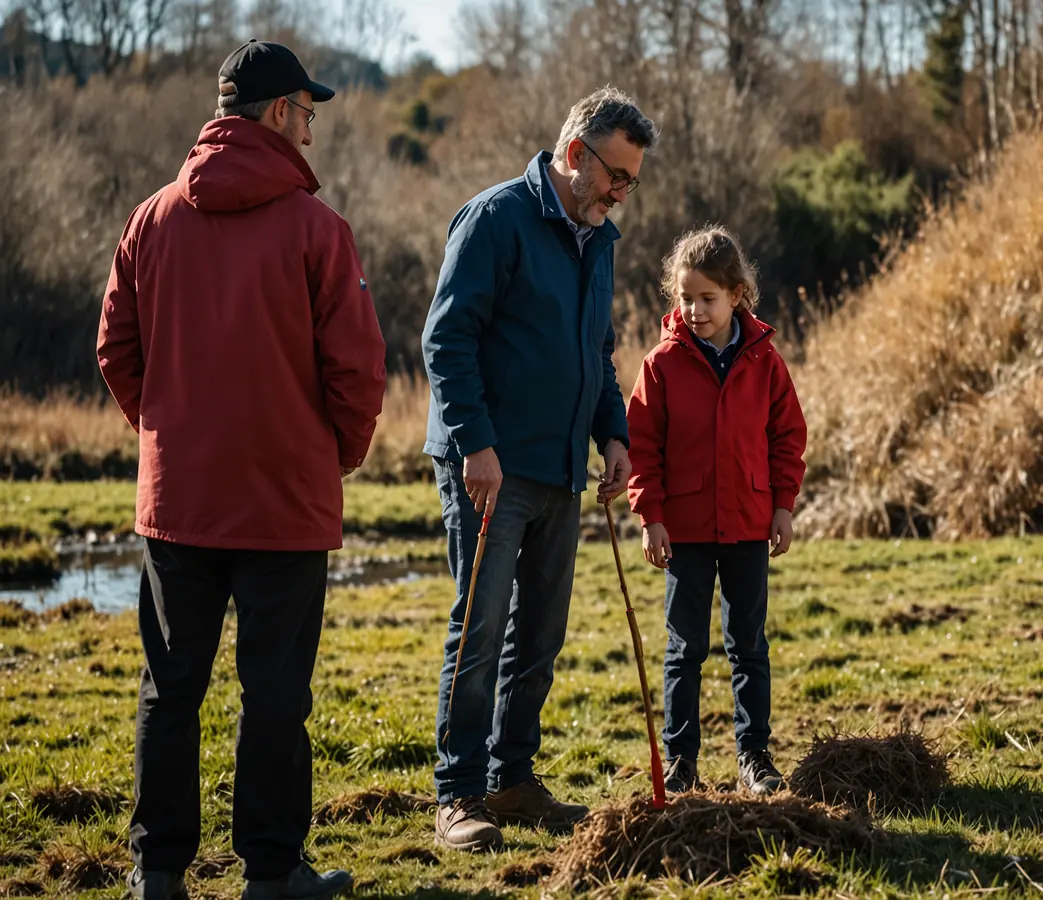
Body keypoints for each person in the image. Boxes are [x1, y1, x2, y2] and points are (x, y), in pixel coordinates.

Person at [96, 39, 387, 900]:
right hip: (283, 506)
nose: (311, 128)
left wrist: (165, 432)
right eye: (307, 111)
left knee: (170, 689)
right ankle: (270, 873)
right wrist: (333, 455)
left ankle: (158, 874)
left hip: (178, 499)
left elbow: (115, 348)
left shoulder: (151, 219)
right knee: (274, 696)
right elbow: (359, 374)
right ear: (274, 114)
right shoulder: (317, 230)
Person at [421, 87, 657, 852]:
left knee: (542, 633)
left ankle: (513, 778)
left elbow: (596, 350)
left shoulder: (601, 239)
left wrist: (613, 436)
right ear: (575, 154)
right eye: (615, 176)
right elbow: (447, 341)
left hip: (560, 467)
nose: (622, 194)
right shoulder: (495, 219)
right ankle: (458, 794)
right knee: (480, 627)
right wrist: (475, 444)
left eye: (631, 181)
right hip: (490, 466)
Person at [625, 225, 807, 797]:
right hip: (685, 531)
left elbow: (787, 437)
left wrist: (783, 505)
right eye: (685, 298)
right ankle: (681, 763)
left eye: (707, 298)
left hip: (751, 524)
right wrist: (650, 515)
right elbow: (643, 448)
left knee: (748, 645)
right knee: (685, 649)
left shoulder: (766, 362)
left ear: (736, 296)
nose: (695, 310)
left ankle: (754, 757)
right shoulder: (660, 366)